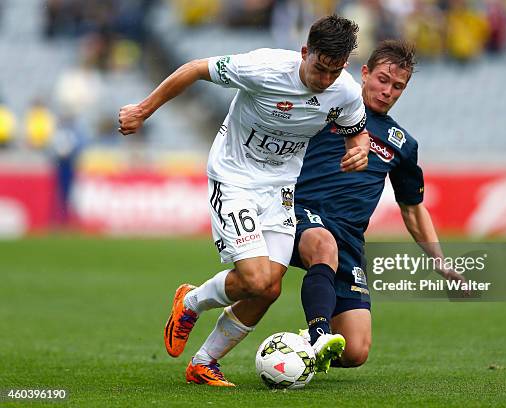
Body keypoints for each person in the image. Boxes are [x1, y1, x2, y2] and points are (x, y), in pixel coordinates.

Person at [118, 15, 369, 386]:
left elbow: (356, 133)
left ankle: (203, 363)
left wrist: (358, 152)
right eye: (319, 68)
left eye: (334, 71)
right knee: (253, 278)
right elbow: (193, 69)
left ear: (343, 65)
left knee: (269, 287)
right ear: (304, 52)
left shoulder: (345, 92)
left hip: (281, 189)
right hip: (234, 178)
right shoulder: (264, 68)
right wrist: (143, 109)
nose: (324, 79)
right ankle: (190, 302)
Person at [291, 39, 467, 372]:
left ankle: (298, 346)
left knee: (355, 351)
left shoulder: (402, 143)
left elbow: (412, 208)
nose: (388, 90)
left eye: (398, 86)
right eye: (382, 80)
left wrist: (440, 261)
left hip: (350, 240)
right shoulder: (329, 105)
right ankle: (317, 334)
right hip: (300, 215)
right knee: (313, 250)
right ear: (366, 73)